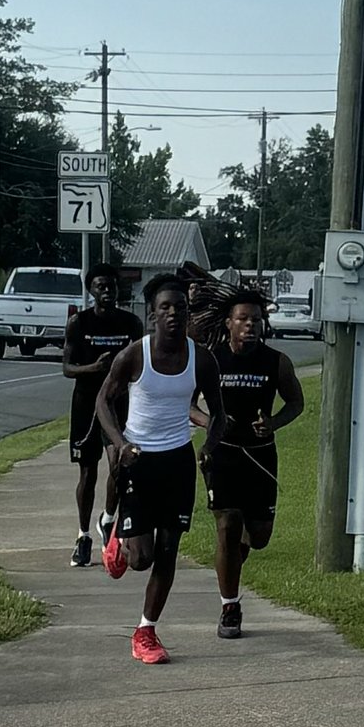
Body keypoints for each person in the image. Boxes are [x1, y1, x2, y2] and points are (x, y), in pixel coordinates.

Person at [96, 274, 226, 665]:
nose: (173, 314)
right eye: (164, 308)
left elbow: (218, 413)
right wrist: (120, 445)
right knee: (141, 560)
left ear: (187, 315)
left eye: (179, 308)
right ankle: (116, 531)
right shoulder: (135, 356)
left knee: (168, 552)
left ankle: (145, 631)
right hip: (139, 460)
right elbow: (103, 402)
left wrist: (209, 447)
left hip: (178, 462)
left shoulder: (201, 358)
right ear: (152, 316)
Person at [188, 282, 305, 638]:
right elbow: (188, 405)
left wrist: (272, 423)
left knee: (258, 535)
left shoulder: (276, 362)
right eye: (243, 319)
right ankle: (230, 607)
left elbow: (296, 403)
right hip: (221, 454)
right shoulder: (210, 359)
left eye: (256, 319)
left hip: (260, 456)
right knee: (227, 523)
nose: (250, 325)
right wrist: (213, 423)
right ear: (228, 323)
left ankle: (236, 553)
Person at [62, 263, 144, 567]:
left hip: (118, 404)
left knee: (119, 463)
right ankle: (83, 536)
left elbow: (140, 363)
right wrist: (93, 369)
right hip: (86, 404)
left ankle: (108, 519)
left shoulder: (132, 323)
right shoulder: (78, 323)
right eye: (100, 286)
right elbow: (67, 368)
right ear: (91, 290)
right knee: (87, 471)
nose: (107, 291)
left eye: (111, 285)